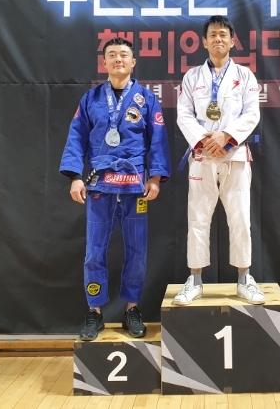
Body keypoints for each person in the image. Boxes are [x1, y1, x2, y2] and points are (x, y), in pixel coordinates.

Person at [60, 37, 170, 340]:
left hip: (135, 186)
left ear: (133, 62)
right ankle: (94, 312)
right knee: (94, 252)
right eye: (112, 55)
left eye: (124, 54)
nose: (118, 59)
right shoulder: (91, 98)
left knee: (137, 251)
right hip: (99, 184)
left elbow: (158, 139)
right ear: (105, 62)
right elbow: (76, 137)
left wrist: (155, 177)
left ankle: (132, 309)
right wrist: (75, 176)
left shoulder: (146, 99)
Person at [174, 16, 264, 305]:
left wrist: (226, 136)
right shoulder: (192, 77)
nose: (218, 39)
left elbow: (252, 114)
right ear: (204, 42)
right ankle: (195, 280)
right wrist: (205, 141)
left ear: (232, 40)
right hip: (202, 155)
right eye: (212, 35)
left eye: (223, 34)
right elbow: (184, 115)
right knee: (198, 219)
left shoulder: (245, 76)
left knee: (240, 218)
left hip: (234, 155)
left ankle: (244, 278)